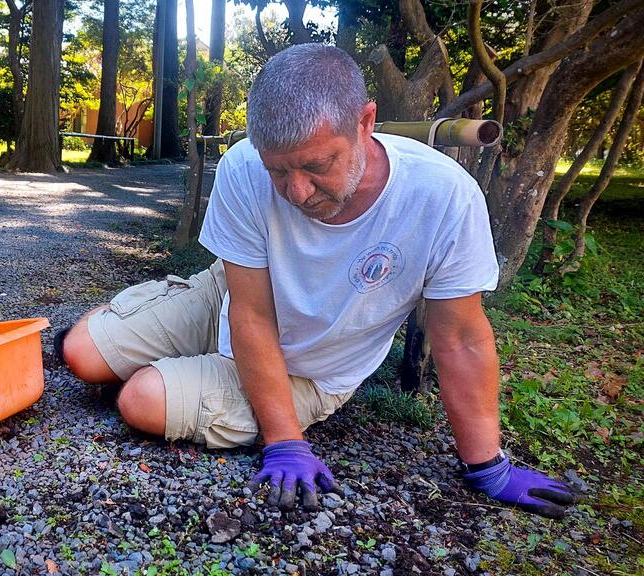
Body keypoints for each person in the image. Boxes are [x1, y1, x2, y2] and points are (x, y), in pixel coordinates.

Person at [54, 44, 576, 518]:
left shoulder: (444, 197)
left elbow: (460, 338)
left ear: (365, 122)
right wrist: (284, 440)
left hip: (313, 365)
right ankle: (129, 335)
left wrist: (486, 464)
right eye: (279, 172)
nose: (297, 192)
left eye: (316, 166)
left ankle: (163, 368)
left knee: (139, 400)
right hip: (236, 297)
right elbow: (251, 313)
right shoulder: (242, 168)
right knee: (79, 355)